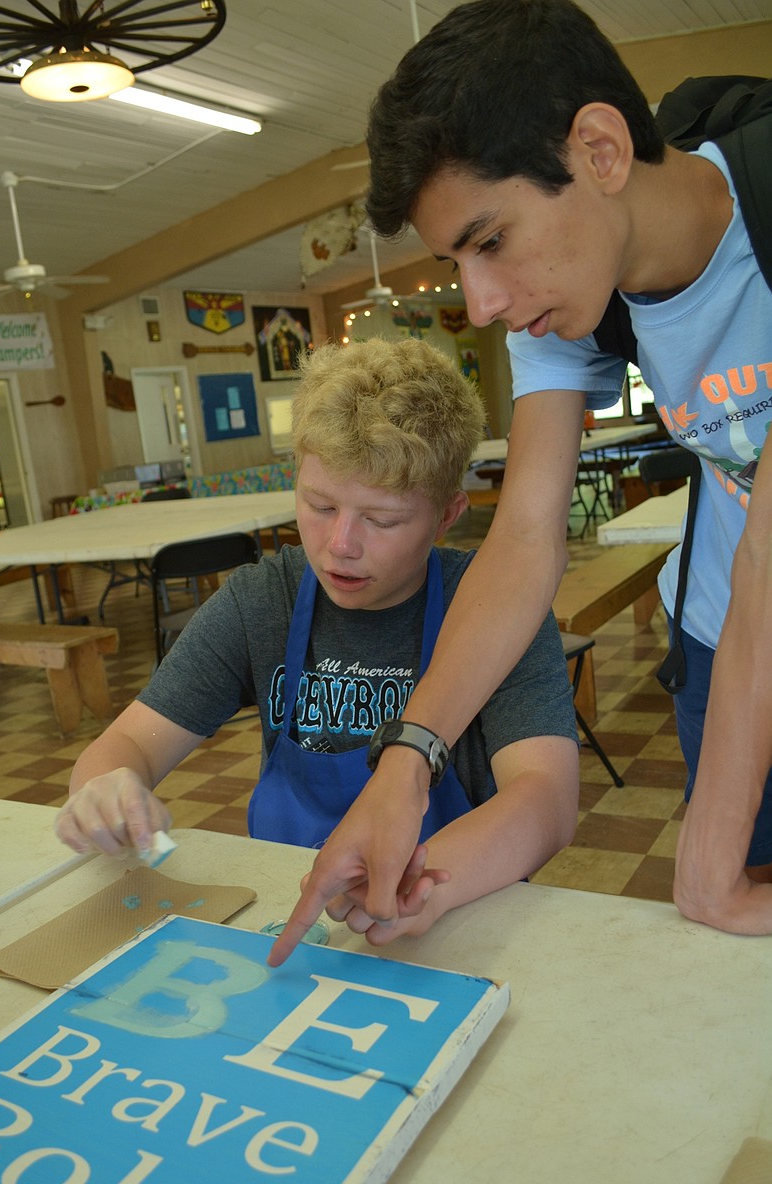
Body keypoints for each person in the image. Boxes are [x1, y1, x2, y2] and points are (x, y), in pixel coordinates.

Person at [267, 0, 772, 963]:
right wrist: (405, 764)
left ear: (600, 150)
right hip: (722, 640)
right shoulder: (567, 306)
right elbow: (526, 536)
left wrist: (707, 850)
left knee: (719, 883)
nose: (483, 301)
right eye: (457, 261)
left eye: (489, 240)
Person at [56, 338, 578, 943]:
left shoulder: (498, 606)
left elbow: (545, 799)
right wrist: (107, 785)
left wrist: (418, 881)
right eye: (319, 505)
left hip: (451, 920)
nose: (340, 545)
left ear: (446, 514)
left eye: (381, 519)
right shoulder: (261, 604)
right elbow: (128, 743)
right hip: (294, 925)